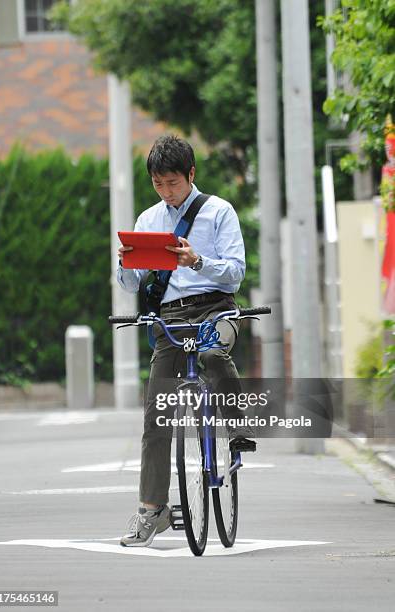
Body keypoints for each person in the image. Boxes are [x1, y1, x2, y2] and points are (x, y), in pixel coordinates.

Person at [116, 134, 254, 547]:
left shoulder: (218, 212)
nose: (166, 191)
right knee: (155, 418)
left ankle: (234, 426)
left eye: (173, 182)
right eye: (159, 184)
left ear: (191, 174)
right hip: (171, 319)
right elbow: (130, 284)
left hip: (217, 309)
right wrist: (124, 264)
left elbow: (236, 273)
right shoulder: (147, 220)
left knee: (213, 352)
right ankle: (151, 511)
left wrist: (197, 260)